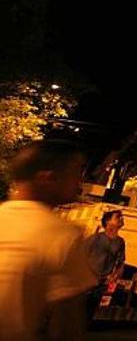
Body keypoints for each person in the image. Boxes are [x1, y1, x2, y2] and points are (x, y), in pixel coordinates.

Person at [0, 140, 96, 341]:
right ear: (48, 178)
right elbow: (67, 325)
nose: (80, 182)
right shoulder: (62, 234)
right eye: (76, 172)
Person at [85, 209, 126, 321]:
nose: (122, 219)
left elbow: (121, 261)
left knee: (90, 312)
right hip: (87, 281)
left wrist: (115, 276)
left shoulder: (120, 242)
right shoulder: (95, 238)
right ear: (108, 221)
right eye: (118, 217)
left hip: (101, 284)